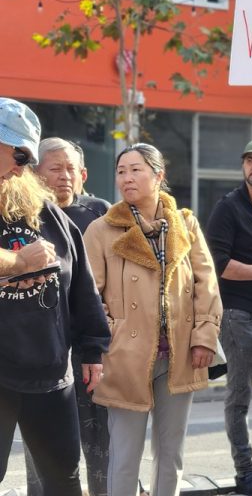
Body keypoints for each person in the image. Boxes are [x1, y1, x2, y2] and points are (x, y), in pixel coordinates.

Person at [83, 143, 222, 496]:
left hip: (179, 354)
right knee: (125, 456)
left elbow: (206, 283)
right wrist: (106, 333)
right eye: (121, 171)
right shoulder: (102, 230)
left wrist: (204, 335)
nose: (126, 178)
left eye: (136, 169)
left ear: (158, 175)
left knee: (171, 454)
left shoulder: (185, 223)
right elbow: (88, 295)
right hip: (125, 355)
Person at [0, 98, 111, 494]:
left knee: (64, 478)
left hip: (49, 372)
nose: (20, 164)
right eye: (14, 151)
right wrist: (17, 261)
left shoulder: (48, 214)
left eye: (26, 156)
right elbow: (19, 261)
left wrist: (94, 348)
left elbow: (81, 284)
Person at [23, 137, 113, 496]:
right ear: (35, 173)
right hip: (41, 350)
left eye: (71, 169)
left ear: (83, 174)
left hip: (90, 346)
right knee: (43, 449)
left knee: (99, 439)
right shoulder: (22, 213)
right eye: (54, 168)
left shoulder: (99, 212)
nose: (64, 176)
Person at [205, 138, 252, 496]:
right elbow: (218, 266)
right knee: (240, 398)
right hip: (239, 316)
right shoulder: (229, 207)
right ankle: (245, 472)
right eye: (249, 160)